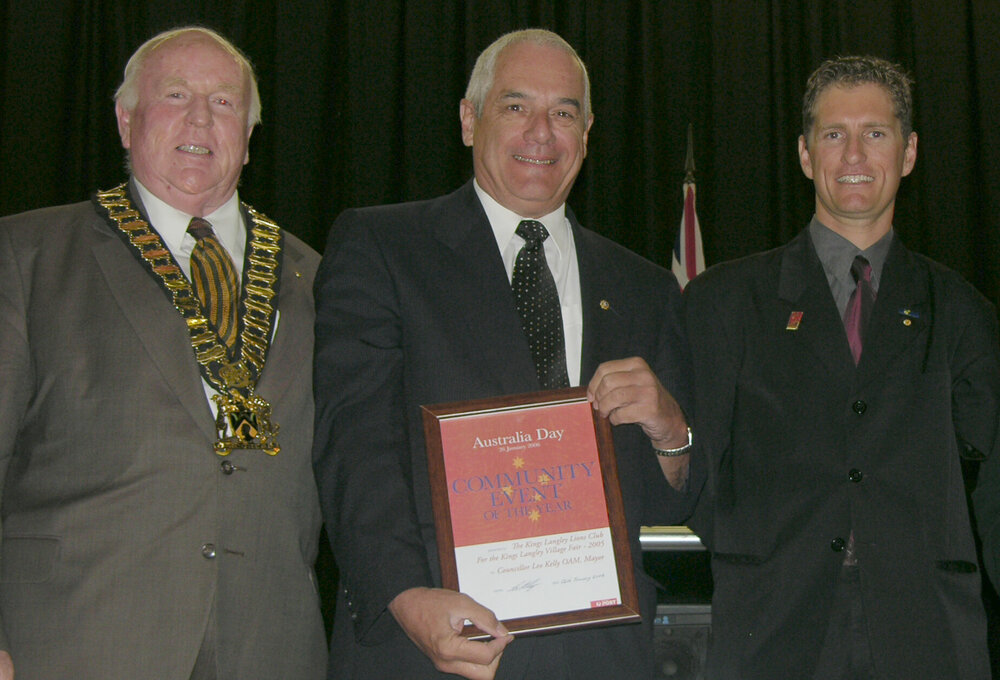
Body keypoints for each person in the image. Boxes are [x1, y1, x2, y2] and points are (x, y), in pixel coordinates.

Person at [313, 28, 700, 680]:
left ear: (588, 131)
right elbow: (355, 447)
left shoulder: (645, 288)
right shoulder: (383, 247)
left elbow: (670, 506)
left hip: (600, 655)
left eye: (565, 112)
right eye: (516, 106)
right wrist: (408, 599)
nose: (541, 133)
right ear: (470, 120)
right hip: (433, 649)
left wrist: (671, 431)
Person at [0, 27, 327, 679]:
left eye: (225, 102)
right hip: (76, 648)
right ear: (126, 120)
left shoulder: (320, 279)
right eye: (175, 94)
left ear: (250, 131)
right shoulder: (28, 257)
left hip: (270, 649)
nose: (201, 117)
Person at [684, 55, 1000, 680]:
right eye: (834, 135)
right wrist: (763, 551)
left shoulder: (961, 308)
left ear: (908, 153)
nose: (853, 154)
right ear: (806, 156)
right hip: (769, 632)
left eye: (875, 134)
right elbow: (693, 474)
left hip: (927, 637)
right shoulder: (724, 301)